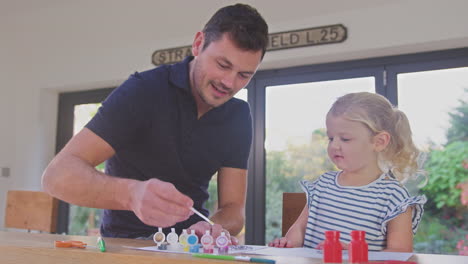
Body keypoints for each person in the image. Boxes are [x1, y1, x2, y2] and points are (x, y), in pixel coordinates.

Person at [41, 3, 268, 243]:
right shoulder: (143, 91)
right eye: (223, 65)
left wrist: (213, 227)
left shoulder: (238, 115)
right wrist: (131, 194)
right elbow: (56, 177)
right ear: (198, 44)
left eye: (244, 75)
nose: (229, 83)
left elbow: (234, 209)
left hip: (189, 250)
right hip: (125, 246)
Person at [269, 92, 427, 252]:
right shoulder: (323, 184)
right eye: (330, 138)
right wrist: (289, 241)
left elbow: (400, 252)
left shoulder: (393, 196)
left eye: (345, 139)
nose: (334, 146)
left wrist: (355, 253)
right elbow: (299, 229)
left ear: (379, 142)